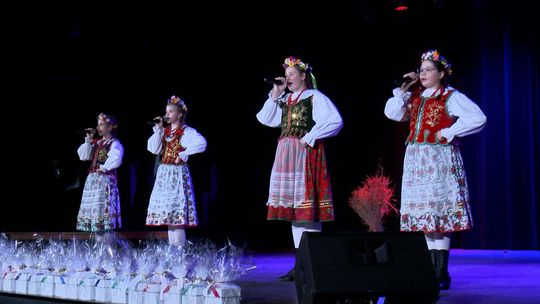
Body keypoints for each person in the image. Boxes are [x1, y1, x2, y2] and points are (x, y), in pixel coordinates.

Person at [384, 50, 487, 290]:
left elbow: (478, 118)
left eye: (429, 69)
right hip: (417, 160)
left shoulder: (450, 96)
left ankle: (441, 272)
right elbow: (392, 113)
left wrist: (449, 131)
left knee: (439, 215)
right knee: (426, 217)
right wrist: (403, 88)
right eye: (421, 70)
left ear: (441, 73)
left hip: (438, 159)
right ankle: (432, 270)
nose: (423, 73)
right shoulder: (414, 96)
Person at [257, 56, 343, 282]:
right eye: (285, 74)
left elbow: (335, 121)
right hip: (286, 156)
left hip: (305, 155)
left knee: (308, 210)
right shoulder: (284, 100)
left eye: (291, 74)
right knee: (295, 212)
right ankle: (300, 266)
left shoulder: (315, 97)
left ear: (303, 76)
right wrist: (276, 93)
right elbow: (265, 119)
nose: (287, 77)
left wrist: (311, 136)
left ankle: (313, 264)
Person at [146, 96, 207, 246]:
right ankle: (173, 256)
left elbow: (202, 143)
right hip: (164, 175)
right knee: (169, 219)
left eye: (171, 111)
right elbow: (153, 149)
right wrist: (157, 131)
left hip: (177, 175)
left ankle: (180, 258)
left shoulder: (186, 131)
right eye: (166, 111)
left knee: (177, 219)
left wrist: (185, 154)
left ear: (179, 114)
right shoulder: (164, 132)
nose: (167, 115)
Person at [76, 113, 123, 233]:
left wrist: (105, 167)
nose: (98, 128)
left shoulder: (114, 143)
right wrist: (88, 139)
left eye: (101, 125)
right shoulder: (96, 143)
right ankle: (99, 249)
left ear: (110, 127)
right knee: (96, 221)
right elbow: (83, 156)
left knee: (104, 218)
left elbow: (116, 158)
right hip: (93, 182)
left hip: (105, 181)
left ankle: (109, 249)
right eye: (98, 125)